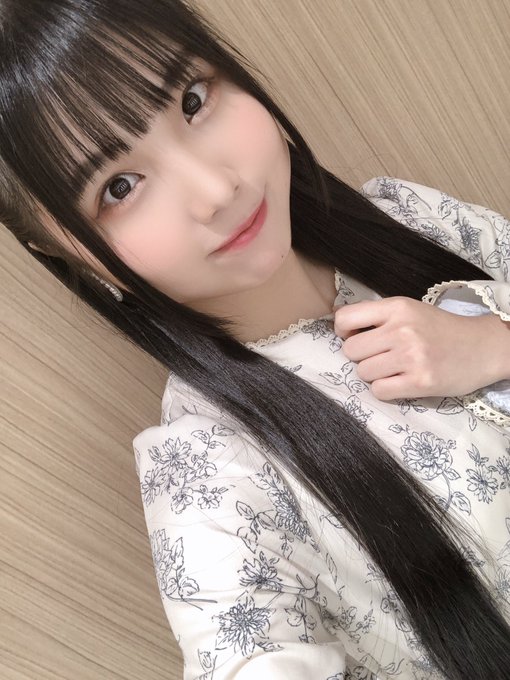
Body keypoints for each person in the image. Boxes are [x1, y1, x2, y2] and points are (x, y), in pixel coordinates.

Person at [0, 1, 509, 678]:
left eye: (192, 99)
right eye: (119, 186)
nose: (216, 189)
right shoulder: (208, 473)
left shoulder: (405, 213)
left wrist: (493, 345)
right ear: (65, 250)